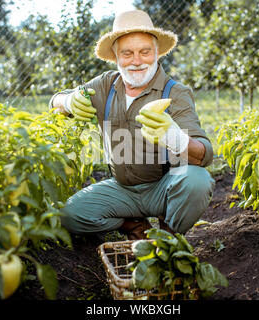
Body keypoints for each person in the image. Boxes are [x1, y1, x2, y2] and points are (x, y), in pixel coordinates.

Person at [49, 10, 215, 240]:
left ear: (157, 53)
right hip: (122, 190)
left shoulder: (175, 92)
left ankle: (169, 237)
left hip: (164, 188)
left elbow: (204, 156)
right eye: (127, 53)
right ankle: (135, 227)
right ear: (116, 57)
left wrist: (174, 136)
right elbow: (56, 101)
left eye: (145, 52)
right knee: (69, 214)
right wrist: (68, 100)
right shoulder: (106, 85)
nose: (137, 61)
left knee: (196, 181)